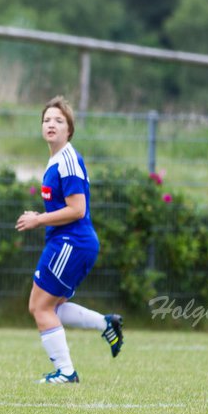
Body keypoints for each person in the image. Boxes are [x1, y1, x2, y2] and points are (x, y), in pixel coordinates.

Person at [14, 96, 124, 384]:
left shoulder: (68, 161)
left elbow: (78, 209)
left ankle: (66, 373)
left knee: (40, 307)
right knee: (52, 306)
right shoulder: (57, 159)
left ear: (69, 130)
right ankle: (105, 323)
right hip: (67, 242)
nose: (51, 124)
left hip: (72, 243)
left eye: (58, 121)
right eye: (47, 120)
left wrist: (38, 219)